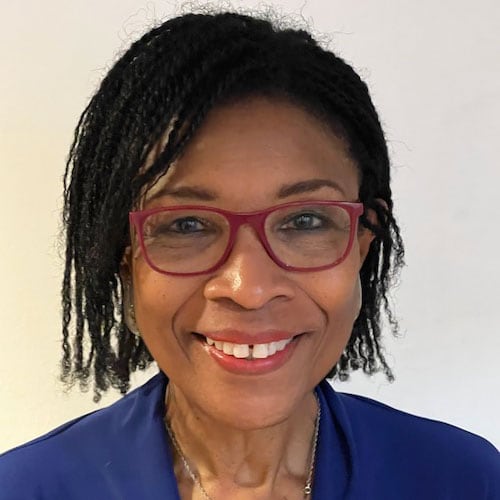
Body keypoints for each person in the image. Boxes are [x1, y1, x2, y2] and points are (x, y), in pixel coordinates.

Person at [0, 10, 498, 500]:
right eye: (187, 224)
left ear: (362, 243)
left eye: (305, 221)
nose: (250, 288)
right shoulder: (26, 489)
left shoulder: (465, 480)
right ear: (125, 258)